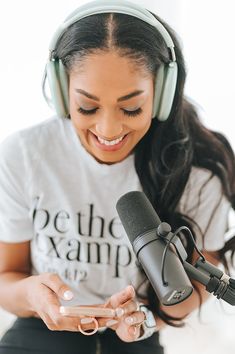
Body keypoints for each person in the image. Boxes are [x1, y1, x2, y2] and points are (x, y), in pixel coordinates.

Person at [0, 0, 234, 353]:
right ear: (63, 93)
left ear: (163, 93)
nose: (108, 129)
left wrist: (144, 320)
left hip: (138, 331)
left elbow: (198, 284)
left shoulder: (198, 171)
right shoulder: (25, 155)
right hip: (40, 330)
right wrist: (33, 297)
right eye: (87, 107)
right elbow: (7, 278)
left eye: (131, 108)